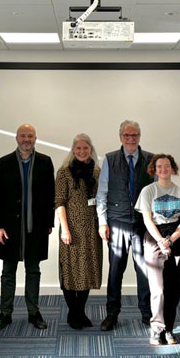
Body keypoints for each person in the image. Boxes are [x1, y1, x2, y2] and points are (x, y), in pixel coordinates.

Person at [0, 123, 55, 330]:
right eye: (22, 136)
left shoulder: (45, 162)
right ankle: (5, 313)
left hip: (35, 227)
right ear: (16, 138)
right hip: (10, 228)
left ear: (35, 138)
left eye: (30, 135)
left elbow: (50, 195)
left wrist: (48, 223)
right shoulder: (4, 162)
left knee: (33, 271)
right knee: (8, 271)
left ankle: (33, 312)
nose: (26, 139)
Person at [96, 120, 154, 331]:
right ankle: (112, 314)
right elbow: (102, 193)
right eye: (127, 135)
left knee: (144, 271)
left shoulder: (151, 159)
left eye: (135, 135)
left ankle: (147, 313)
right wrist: (102, 222)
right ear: (120, 137)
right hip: (117, 222)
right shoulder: (110, 160)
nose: (131, 139)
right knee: (115, 272)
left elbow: (156, 193)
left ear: (140, 136)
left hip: (142, 224)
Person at [135, 154, 180, 345]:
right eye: (159, 166)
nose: (163, 170)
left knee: (173, 289)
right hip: (154, 238)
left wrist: (172, 239)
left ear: (173, 168)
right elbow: (147, 220)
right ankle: (156, 329)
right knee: (158, 289)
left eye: (167, 166)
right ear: (154, 169)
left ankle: (169, 329)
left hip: (177, 238)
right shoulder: (148, 191)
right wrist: (160, 241)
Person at [55, 133, 102, 329]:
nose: (82, 151)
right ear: (73, 150)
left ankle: (79, 311)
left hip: (92, 227)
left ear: (91, 149)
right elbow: (59, 202)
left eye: (86, 148)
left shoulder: (98, 172)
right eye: (78, 148)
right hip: (71, 227)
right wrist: (65, 229)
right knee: (70, 270)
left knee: (87, 270)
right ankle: (74, 311)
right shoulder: (64, 172)